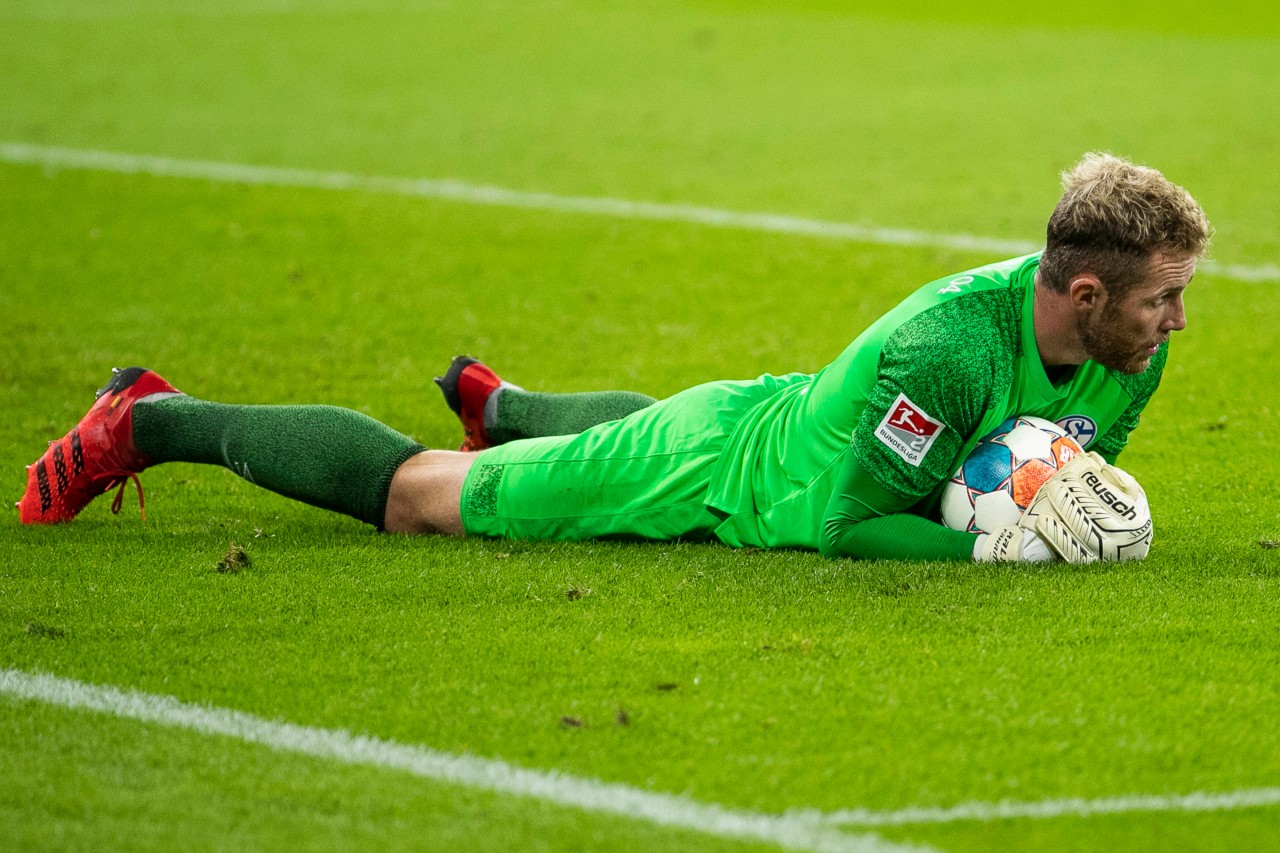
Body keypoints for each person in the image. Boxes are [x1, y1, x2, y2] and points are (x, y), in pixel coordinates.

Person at [17, 153, 1211, 563]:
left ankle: (515, 407)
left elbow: (1059, 466)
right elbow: (847, 527)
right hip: (717, 470)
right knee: (420, 502)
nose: (1172, 323)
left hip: (784, 431)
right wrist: (987, 551)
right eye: (1159, 299)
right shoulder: (943, 352)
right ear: (1086, 290)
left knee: (648, 438)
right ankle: (150, 417)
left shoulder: (1130, 346)